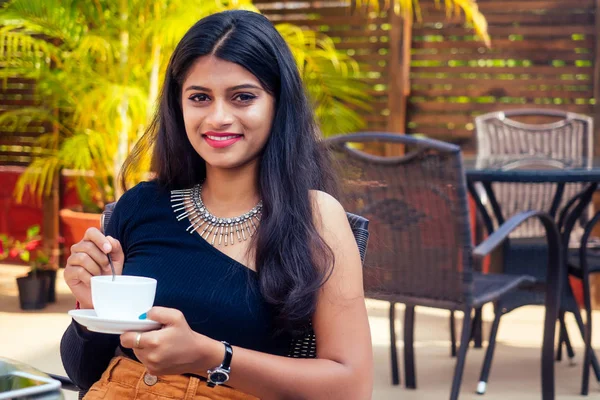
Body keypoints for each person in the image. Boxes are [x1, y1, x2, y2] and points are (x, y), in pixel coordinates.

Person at [60, 9, 373, 400]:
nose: (219, 117)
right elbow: (83, 373)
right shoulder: (140, 206)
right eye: (200, 97)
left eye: (243, 97)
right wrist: (91, 313)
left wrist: (212, 357)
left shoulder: (313, 218)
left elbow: (351, 387)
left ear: (279, 105)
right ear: (179, 106)